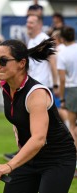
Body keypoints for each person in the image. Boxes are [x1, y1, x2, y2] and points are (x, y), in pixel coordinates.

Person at [0, 38, 76, 193]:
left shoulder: (36, 94)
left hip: (57, 159)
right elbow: (18, 117)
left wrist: (9, 165)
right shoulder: (5, 86)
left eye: (3, 61)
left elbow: (39, 139)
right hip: (30, 157)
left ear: (21, 63)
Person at [4, 13, 59, 160]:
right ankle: (25, 151)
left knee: (39, 126)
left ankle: (38, 153)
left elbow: (53, 62)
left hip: (39, 88)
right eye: (28, 22)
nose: (29, 25)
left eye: (32, 22)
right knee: (24, 123)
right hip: (28, 87)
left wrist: (55, 83)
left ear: (40, 24)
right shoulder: (31, 40)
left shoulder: (42, 39)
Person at [57, 26, 77, 176]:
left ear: (62, 39)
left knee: (72, 128)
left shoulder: (62, 53)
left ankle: (75, 166)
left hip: (72, 89)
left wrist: (62, 97)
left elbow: (62, 79)